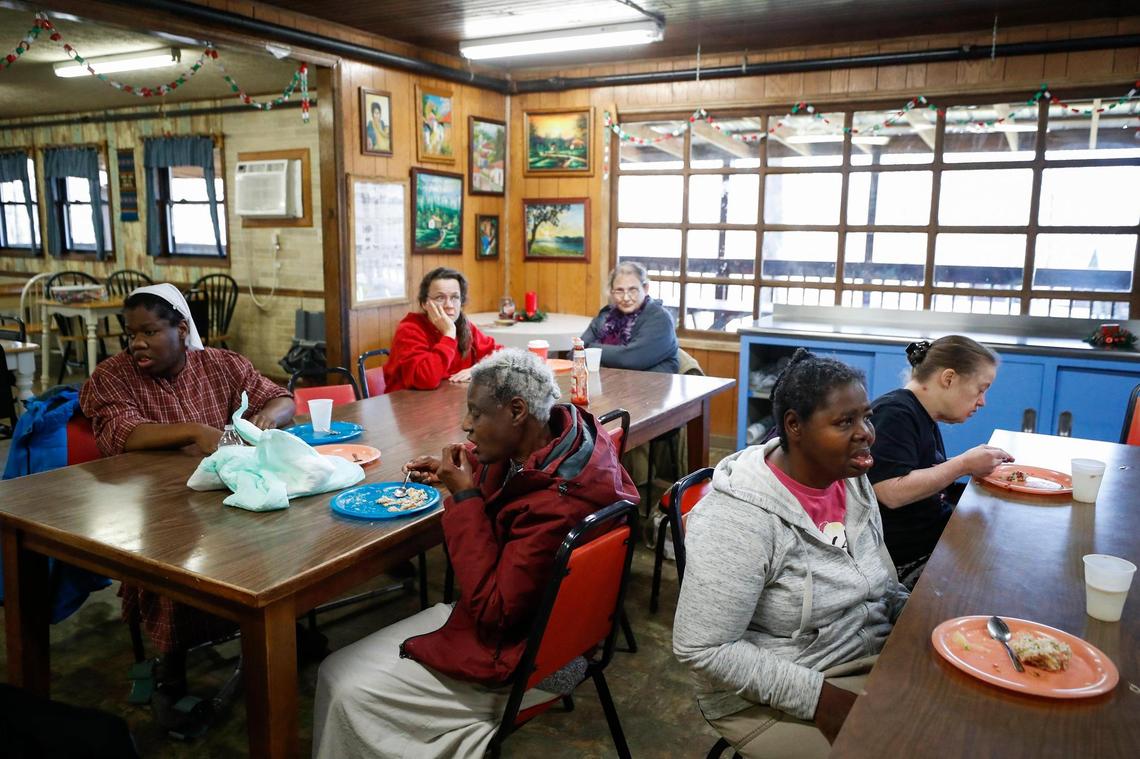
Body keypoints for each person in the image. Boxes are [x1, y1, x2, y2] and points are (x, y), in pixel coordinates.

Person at [313, 349, 639, 758]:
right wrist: (473, 465)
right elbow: (525, 479)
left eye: (477, 414)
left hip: (529, 659)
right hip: (554, 630)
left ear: (518, 410)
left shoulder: (557, 505)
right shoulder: (573, 443)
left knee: (340, 680)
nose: (466, 425)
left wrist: (465, 495)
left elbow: (494, 612)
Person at [79, 283, 296, 727]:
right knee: (179, 566)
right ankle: (172, 668)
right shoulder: (113, 376)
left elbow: (281, 397)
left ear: (181, 329)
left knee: (290, 540)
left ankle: (284, 630)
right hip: (157, 509)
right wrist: (197, 431)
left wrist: (266, 416)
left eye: (149, 332)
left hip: (229, 496)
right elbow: (123, 433)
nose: (137, 343)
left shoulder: (221, 364)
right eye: (130, 334)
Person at [673, 349, 908, 758]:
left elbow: (877, 582)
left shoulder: (849, 480)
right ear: (794, 426)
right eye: (845, 421)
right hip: (776, 691)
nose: (866, 432)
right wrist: (822, 701)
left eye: (866, 417)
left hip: (862, 654)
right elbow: (703, 649)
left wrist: (913, 616)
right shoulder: (739, 518)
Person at [868, 336, 1012, 589]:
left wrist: (969, 463)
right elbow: (890, 490)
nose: (982, 401)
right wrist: (963, 464)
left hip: (932, 536)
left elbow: (920, 470)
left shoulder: (920, 414)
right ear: (948, 379)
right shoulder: (894, 413)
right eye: (980, 389)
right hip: (906, 558)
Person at [383, 267, 500, 392]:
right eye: (440, 298)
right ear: (424, 303)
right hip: (410, 406)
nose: (449, 305)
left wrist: (478, 369)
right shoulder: (410, 329)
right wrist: (449, 334)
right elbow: (426, 379)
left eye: (455, 297)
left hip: (450, 402)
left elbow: (502, 356)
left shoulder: (465, 326)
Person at [581, 261, 678, 373]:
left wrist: (592, 350)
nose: (626, 297)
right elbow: (576, 353)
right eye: (619, 291)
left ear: (645, 288)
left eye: (633, 290)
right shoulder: (605, 316)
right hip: (607, 385)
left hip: (651, 387)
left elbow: (630, 359)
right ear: (612, 293)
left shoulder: (660, 318)